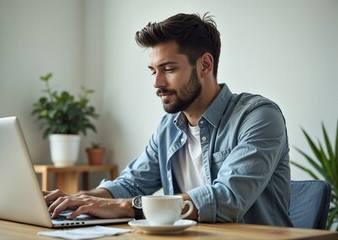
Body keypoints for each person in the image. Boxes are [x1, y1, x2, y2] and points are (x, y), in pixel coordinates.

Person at [44, 12, 293, 227]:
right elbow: (132, 184)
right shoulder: (169, 127)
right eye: (153, 71)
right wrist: (79, 199)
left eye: (169, 69)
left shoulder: (259, 116)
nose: (157, 83)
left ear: (205, 65)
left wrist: (122, 206)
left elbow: (227, 198)